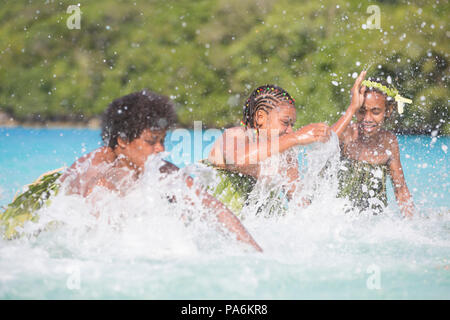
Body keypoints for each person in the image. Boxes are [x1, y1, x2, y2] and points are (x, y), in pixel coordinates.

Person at [1, 90, 262, 251]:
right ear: (123, 141)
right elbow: (88, 243)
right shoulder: (95, 173)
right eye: (151, 141)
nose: (160, 149)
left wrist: (254, 250)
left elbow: (212, 206)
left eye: (163, 140)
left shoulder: (158, 168)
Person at [206, 84, 332, 216]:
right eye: (285, 122)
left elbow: (303, 205)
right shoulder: (235, 135)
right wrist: (296, 138)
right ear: (260, 117)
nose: (290, 130)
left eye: (292, 125)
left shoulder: (284, 157)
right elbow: (237, 160)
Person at [331, 71, 414, 216]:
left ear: (388, 111)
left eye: (375, 112)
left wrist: (412, 222)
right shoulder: (348, 133)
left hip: (373, 222)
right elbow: (324, 143)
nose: (367, 118)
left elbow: (400, 189)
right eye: (361, 111)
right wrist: (351, 108)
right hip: (339, 218)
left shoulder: (389, 142)